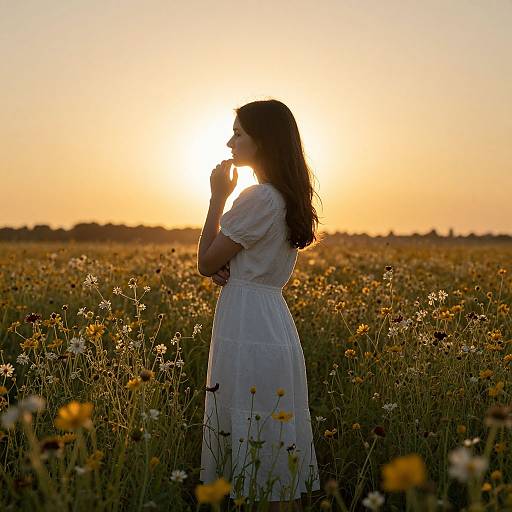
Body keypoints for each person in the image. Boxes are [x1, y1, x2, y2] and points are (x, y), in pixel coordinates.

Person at [197, 99, 323, 512]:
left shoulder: (257, 198)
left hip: (248, 325)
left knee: (250, 430)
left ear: (262, 141)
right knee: (269, 441)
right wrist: (229, 267)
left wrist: (217, 197)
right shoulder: (284, 198)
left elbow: (205, 262)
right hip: (271, 321)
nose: (230, 141)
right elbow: (234, 262)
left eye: (239, 133)